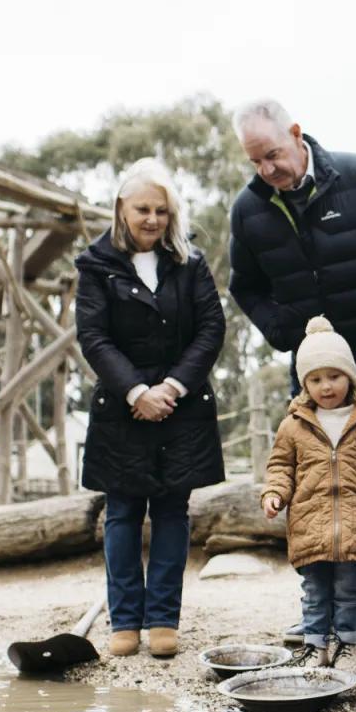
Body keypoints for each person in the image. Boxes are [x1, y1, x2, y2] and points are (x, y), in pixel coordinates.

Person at [227, 98, 356, 643]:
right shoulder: (248, 210)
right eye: (255, 162)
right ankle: (319, 609)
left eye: (272, 155)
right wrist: (281, 331)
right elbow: (243, 284)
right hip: (312, 371)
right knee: (317, 487)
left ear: (296, 134)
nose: (267, 169)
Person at [75, 157, 226, 659]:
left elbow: (211, 330)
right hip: (123, 408)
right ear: (121, 207)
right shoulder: (94, 265)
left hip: (180, 407)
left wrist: (173, 387)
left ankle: (163, 620)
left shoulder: (191, 263)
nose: (152, 219)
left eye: (162, 210)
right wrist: (138, 392)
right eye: (143, 209)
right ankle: (125, 622)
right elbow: (93, 336)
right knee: (121, 512)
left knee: (171, 512)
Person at [260, 317, 356, 667]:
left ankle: (346, 643)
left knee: (348, 591)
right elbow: (280, 467)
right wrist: (274, 493)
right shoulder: (295, 423)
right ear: (304, 383)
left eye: (334, 376)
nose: (326, 387)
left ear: (351, 376)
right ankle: (315, 645)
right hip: (309, 521)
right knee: (314, 592)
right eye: (315, 379)